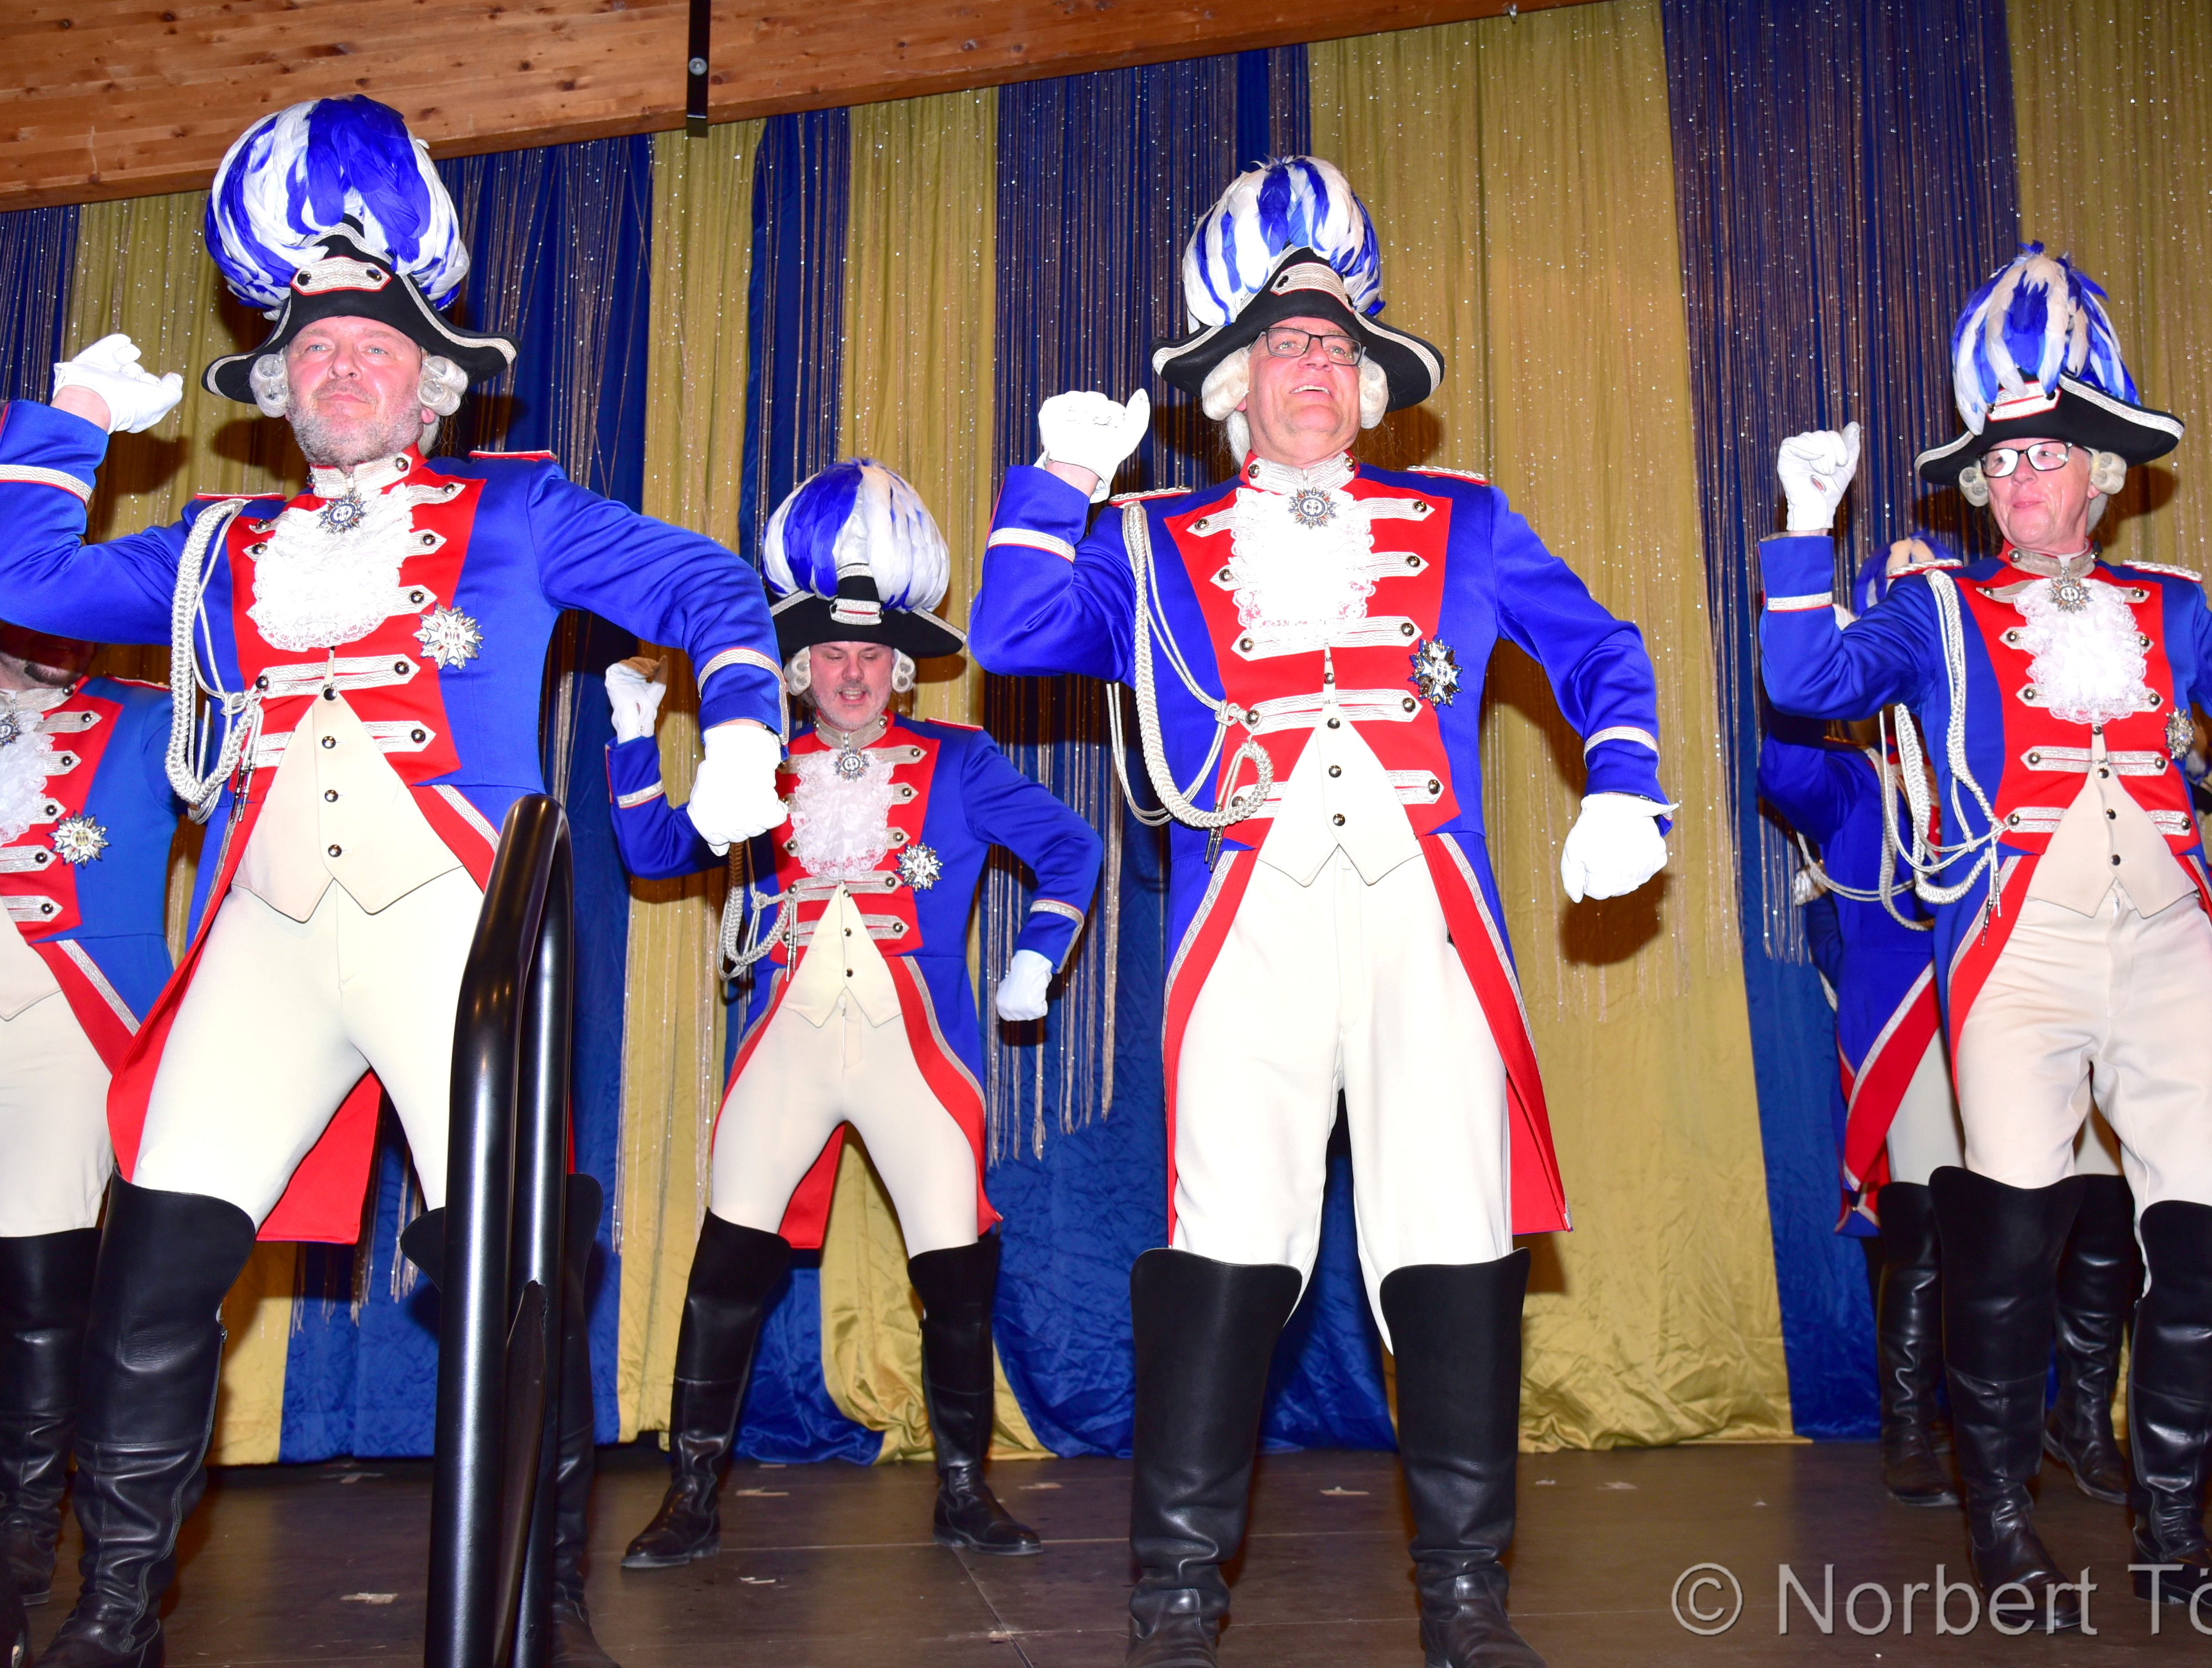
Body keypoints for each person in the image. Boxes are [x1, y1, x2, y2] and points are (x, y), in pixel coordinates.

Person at [0, 96, 789, 1668]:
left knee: (515, 1276)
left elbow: (703, 581)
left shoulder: (519, 511)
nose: (345, 370)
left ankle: (544, 1605)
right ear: (280, 390)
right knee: (154, 1269)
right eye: (316, 353)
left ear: (433, 382)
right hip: (267, 941)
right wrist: (67, 425)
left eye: (376, 349)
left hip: (449, 941)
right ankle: (116, 1610)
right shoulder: (214, 547)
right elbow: (20, 580)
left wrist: (743, 720)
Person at [973, 156, 1672, 1668]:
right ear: (1230, 386)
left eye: (1341, 348)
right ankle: (1173, 1600)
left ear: (1372, 389)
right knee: (1229, 1244)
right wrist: (1055, 487)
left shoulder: (1464, 520)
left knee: (1456, 1237)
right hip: (1249, 931)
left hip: (1429, 924)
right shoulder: (1151, 542)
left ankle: (1468, 1602)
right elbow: (1012, 632)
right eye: (1285, 345)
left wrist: (1624, 787)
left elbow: (1604, 651)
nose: (1316, 367)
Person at [1760, 247, 2212, 1631]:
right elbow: (1806, 681)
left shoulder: (2174, 607)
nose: (2024, 477)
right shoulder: (1935, 607)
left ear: (2103, 472)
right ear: (1981, 487)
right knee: (2009, 1234)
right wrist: (1804, 531)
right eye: (2003, 459)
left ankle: (2171, 1532)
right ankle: (2000, 1521)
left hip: (2171, 943)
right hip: (2015, 950)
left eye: (2049, 453)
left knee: (2206, 1229)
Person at [608, 458, 1102, 1565]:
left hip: (913, 1054)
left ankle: (965, 1489)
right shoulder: (756, 759)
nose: (851, 673)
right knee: (727, 1263)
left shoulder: (958, 760)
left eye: (871, 655)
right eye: (831, 653)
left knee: (955, 1271)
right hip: (785, 1044)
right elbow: (656, 851)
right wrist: (635, 740)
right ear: (798, 666)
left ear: (899, 668)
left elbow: (1070, 846)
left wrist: (1037, 956)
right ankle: (690, 1496)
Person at [1759, 552, 2134, 1516]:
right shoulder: (1855, 780)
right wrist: (1810, 640)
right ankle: (1909, 1428)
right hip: (1917, 1016)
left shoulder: (2013, 758)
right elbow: (1783, 769)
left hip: (2043, 991)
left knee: (2098, 1210)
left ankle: (2083, 1420)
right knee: (1924, 1227)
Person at [0, 413, 179, 1602]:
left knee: (34, 1280)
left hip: (65, 1034)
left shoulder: (150, 719)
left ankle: (29, 1518)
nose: (48, 635)